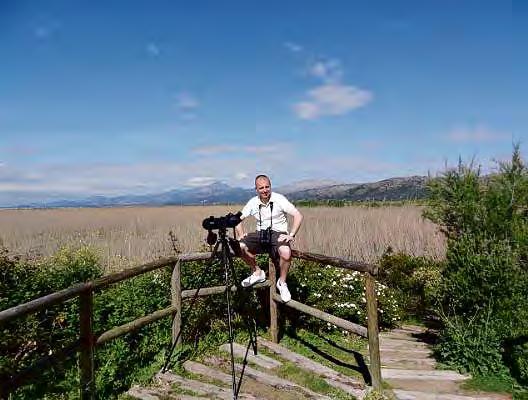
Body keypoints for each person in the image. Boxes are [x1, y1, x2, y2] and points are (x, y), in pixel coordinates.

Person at [235, 174, 303, 302]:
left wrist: (291, 235)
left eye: (267, 187)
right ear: (256, 189)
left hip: (278, 233)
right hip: (260, 233)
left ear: (270, 186)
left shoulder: (279, 199)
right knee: (239, 246)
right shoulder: (253, 202)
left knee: (286, 252)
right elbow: (237, 220)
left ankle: (282, 282)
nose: (265, 190)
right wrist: (241, 234)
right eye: (261, 188)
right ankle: (257, 272)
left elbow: (298, 215)